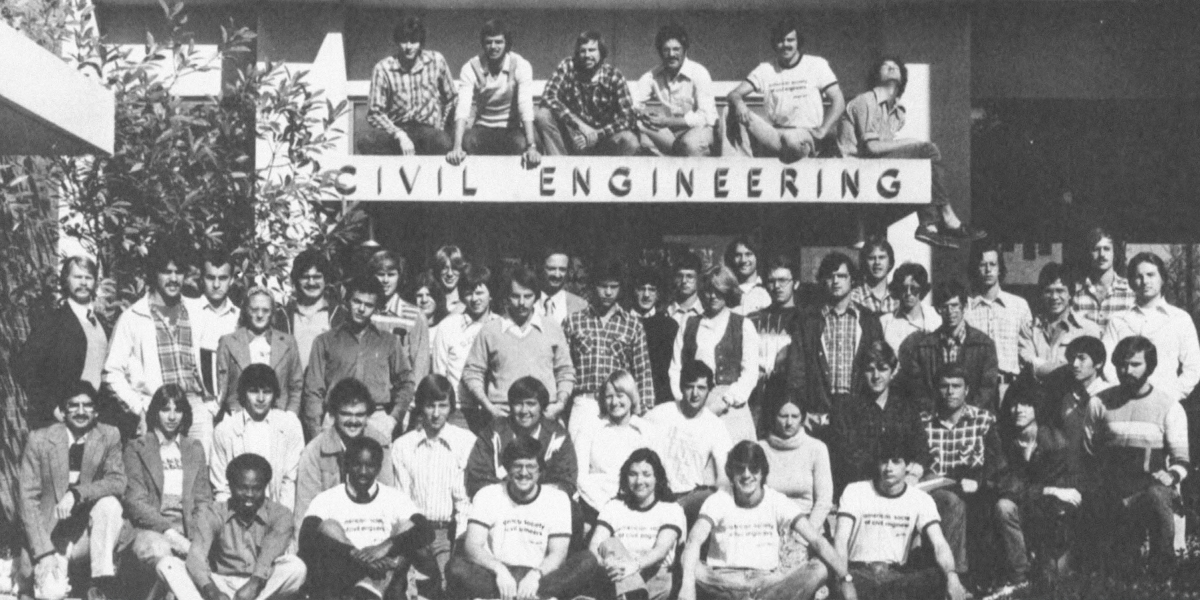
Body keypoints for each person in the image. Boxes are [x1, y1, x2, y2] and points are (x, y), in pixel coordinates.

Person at [678, 442, 856, 600]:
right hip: (724, 582)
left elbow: (817, 540)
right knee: (688, 561)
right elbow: (694, 541)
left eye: (753, 468)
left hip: (767, 583)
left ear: (762, 472)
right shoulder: (719, 500)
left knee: (820, 568)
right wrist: (687, 588)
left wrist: (846, 578)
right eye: (740, 469)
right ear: (731, 473)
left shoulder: (776, 500)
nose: (747, 475)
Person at [837, 58, 984, 248]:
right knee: (927, 150)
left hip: (875, 168)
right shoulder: (865, 100)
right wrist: (910, 142)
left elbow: (884, 148)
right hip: (857, 168)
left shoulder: (896, 113)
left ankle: (929, 226)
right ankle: (946, 217)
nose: (891, 68)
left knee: (924, 164)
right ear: (875, 75)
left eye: (896, 67)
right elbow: (873, 148)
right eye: (885, 65)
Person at [447, 436, 605, 600]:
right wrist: (499, 570)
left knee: (587, 561)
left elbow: (558, 553)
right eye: (517, 466)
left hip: (540, 577)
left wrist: (535, 576)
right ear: (507, 468)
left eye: (530, 466)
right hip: (496, 577)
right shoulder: (488, 494)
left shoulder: (557, 499)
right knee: (455, 567)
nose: (524, 473)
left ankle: (532, 595)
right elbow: (473, 546)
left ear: (540, 470)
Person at [1085, 336, 1189, 571]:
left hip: (1148, 490)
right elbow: (1089, 450)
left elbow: (1182, 460)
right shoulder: (1099, 403)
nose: (1126, 370)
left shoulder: (1169, 406)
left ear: (1149, 366)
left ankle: (1162, 569)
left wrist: (1171, 476)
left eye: (1135, 364)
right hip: (1111, 488)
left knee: (1158, 495)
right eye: (1122, 364)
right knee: (1117, 566)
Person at [18, 383, 126, 600]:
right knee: (51, 594)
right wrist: (44, 552)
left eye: (87, 405)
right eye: (73, 405)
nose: (80, 411)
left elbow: (117, 481)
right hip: (52, 535)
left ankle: (100, 583)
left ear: (96, 411)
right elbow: (27, 500)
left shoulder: (109, 435)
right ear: (63, 411)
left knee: (110, 505)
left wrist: (77, 493)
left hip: (87, 535)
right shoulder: (39, 440)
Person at [105, 241, 214, 446]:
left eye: (179, 272)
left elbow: (217, 360)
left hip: (196, 407)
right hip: (158, 407)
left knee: (199, 473)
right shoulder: (133, 317)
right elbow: (112, 372)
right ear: (154, 273)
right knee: (161, 474)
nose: (173, 279)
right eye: (166, 272)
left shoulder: (196, 311)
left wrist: (211, 405)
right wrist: (140, 408)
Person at [300, 437, 435, 600]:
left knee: (407, 526)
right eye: (357, 464)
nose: (363, 472)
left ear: (378, 468)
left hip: (384, 574)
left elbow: (426, 531)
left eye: (370, 466)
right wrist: (354, 554)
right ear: (346, 465)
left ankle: (373, 589)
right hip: (345, 572)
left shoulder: (394, 498)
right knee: (328, 526)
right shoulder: (327, 499)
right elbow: (306, 536)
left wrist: (386, 547)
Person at [834, 436, 967, 600]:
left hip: (896, 578)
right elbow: (840, 540)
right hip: (859, 575)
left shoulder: (920, 498)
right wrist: (844, 580)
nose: (888, 468)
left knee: (938, 577)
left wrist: (952, 575)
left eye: (896, 461)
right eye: (884, 461)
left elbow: (939, 543)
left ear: (908, 466)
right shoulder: (855, 491)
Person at [118, 385, 213, 600]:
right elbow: (134, 501)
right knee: (163, 553)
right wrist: (169, 532)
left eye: (177, 410)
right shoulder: (136, 447)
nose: (171, 416)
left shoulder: (194, 447)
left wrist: (198, 537)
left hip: (188, 527)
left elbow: (203, 499)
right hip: (150, 528)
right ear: (155, 412)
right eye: (165, 409)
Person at [993, 381, 1085, 592]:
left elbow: (1065, 488)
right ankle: (1018, 577)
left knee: (1055, 584)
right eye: (1014, 405)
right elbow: (1004, 482)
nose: (1018, 410)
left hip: (1046, 513)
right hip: (1020, 507)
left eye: (1026, 404)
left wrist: (1048, 492)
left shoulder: (1054, 441)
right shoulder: (1002, 440)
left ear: (1037, 408)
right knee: (1003, 506)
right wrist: (1046, 489)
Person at [390, 375, 475, 595]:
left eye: (442, 406)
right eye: (429, 406)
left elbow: (463, 502)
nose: (436, 414)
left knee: (447, 586)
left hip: (448, 533)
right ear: (420, 407)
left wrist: (459, 545)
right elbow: (402, 502)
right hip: (414, 532)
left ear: (451, 407)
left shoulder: (465, 442)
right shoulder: (403, 446)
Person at [302, 276, 415, 440]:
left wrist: (392, 420)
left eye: (369, 305)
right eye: (357, 302)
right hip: (336, 417)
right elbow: (313, 390)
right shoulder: (324, 341)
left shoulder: (388, 342)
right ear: (347, 301)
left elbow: (407, 382)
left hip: (376, 418)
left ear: (376, 308)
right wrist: (316, 431)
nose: (361, 309)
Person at [462, 266, 575, 427]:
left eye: (527, 296)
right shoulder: (490, 330)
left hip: (544, 417)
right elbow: (472, 372)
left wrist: (560, 404)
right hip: (503, 419)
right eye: (515, 296)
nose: (521, 303)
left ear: (536, 296)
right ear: (507, 296)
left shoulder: (552, 328)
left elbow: (565, 371)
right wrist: (489, 407)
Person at [922, 365, 1004, 584]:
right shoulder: (924, 422)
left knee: (985, 505)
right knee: (951, 502)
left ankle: (984, 578)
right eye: (944, 386)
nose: (950, 392)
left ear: (966, 390)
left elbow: (997, 461)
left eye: (956, 386)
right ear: (936, 389)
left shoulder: (983, 419)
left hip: (972, 487)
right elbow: (916, 459)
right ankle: (955, 576)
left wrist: (977, 480)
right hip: (935, 491)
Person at [186, 454, 307, 600]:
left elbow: (268, 555)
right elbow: (197, 554)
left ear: (265, 487)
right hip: (220, 582)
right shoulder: (214, 513)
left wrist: (255, 583)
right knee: (169, 565)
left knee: (296, 567)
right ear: (230, 486)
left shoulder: (280, 514)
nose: (249, 494)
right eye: (243, 488)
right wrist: (211, 591)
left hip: (261, 583)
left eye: (256, 489)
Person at [786, 252, 883, 432]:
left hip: (859, 416)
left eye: (842, 276)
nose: (836, 281)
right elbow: (796, 372)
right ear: (823, 281)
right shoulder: (809, 321)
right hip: (819, 417)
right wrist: (802, 411)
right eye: (830, 277)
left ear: (852, 280)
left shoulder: (869, 321)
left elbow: (879, 367)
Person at [726, 16, 845, 162]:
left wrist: (823, 130)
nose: (785, 45)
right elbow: (734, 94)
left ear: (798, 42)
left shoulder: (816, 65)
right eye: (780, 41)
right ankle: (743, 165)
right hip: (774, 133)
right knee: (729, 110)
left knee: (791, 140)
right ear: (775, 44)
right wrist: (739, 103)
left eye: (790, 40)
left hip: (804, 133)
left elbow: (838, 101)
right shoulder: (765, 69)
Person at [563, 260, 655, 441]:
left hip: (619, 405)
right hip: (585, 402)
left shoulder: (632, 325)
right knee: (579, 462)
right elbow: (564, 368)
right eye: (603, 286)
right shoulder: (573, 322)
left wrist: (643, 411)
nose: (608, 292)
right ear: (593, 286)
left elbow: (642, 372)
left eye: (613, 287)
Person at [15, 255, 111, 429]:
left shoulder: (101, 324)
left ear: (95, 282)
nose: (83, 283)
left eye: (88, 278)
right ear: (66, 281)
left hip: (95, 419)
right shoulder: (53, 321)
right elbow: (24, 366)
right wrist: (51, 407)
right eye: (77, 277)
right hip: (61, 421)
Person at [668, 266, 761, 442]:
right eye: (708, 291)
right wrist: (685, 401)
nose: (713, 296)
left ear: (728, 292)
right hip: (694, 405)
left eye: (719, 291)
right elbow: (676, 368)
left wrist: (726, 401)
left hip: (731, 409)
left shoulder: (743, 325)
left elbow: (750, 373)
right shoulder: (689, 323)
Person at [830, 341, 930, 495]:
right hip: (864, 488)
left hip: (904, 486)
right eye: (870, 370)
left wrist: (913, 473)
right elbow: (847, 458)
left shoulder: (906, 408)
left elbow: (921, 449)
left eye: (883, 369)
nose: (876, 376)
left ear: (893, 371)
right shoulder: (847, 409)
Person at [294, 378, 396, 528]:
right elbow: (306, 508)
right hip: (329, 533)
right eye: (346, 414)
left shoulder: (380, 445)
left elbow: (388, 500)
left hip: (370, 527)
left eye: (360, 415)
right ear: (334, 414)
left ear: (368, 416)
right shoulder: (315, 451)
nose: (353, 421)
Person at [588, 449, 687, 600]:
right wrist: (607, 564)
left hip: (654, 577)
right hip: (617, 575)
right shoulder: (614, 506)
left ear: (657, 478)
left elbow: (660, 550)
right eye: (633, 474)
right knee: (611, 545)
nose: (639, 481)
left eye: (646, 475)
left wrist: (632, 566)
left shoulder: (671, 509)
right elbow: (595, 544)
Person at [1102, 252, 1200, 402]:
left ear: (1162, 279)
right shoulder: (1118, 320)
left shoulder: (1180, 319)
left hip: (1165, 403)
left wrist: (1171, 396)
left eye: (1151, 275)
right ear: (1131, 282)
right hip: (1123, 402)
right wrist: (1122, 391)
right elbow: (1106, 362)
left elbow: (1194, 367)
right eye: (1138, 276)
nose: (1145, 281)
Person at [646, 361, 733, 524]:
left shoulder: (715, 425)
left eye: (701, 388)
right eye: (689, 387)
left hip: (690, 498)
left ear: (709, 390)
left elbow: (724, 474)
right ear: (680, 387)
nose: (695, 394)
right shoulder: (660, 414)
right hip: (657, 495)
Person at [446, 20, 540, 168]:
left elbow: (525, 106)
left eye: (499, 42)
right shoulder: (470, 68)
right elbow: (463, 108)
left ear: (507, 44)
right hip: (483, 128)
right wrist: (456, 147)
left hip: (511, 129)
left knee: (524, 143)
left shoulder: (521, 65)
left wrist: (531, 146)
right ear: (483, 44)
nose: (493, 47)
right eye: (489, 42)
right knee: (467, 142)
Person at [464, 376, 578, 499]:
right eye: (518, 404)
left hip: (543, 506)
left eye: (531, 404)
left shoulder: (557, 436)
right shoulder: (494, 432)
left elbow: (566, 482)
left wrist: (532, 496)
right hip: (502, 503)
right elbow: (477, 476)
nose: (524, 410)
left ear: (542, 406)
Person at [210, 365, 305, 511]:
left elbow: (290, 481)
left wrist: (280, 519)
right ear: (243, 392)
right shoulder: (224, 430)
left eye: (267, 392)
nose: (261, 399)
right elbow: (221, 488)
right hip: (237, 513)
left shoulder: (289, 426)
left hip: (277, 512)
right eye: (253, 391)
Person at [897, 280, 1000, 414]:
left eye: (955, 305)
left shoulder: (984, 344)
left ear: (964, 306)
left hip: (972, 418)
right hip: (936, 418)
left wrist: (965, 414)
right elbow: (918, 389)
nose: (950, 312)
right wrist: (937, 413)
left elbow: (987, 387)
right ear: (938, 310)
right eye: (945, 307)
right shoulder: (924, 347)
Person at [756, 395, 833, 570]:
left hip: (808, 530)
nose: (789, 422)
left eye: (795, 416)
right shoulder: (760, 448)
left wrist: (802, 539)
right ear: (773, 417)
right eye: (783, 416)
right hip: (769, 530)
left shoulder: (817, 448)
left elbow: (824, 501)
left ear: (803, 418)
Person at [535, 30, 639, 156]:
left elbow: (628, 117)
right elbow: (548, 97)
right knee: (543, 115)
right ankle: (561, 168)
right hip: (573, 136)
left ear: (601, 52)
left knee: (630, 140)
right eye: (583, 51)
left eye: (592, 50)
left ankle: (613, 174)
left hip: (605, 139)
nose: (587, 55)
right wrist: (581, 126)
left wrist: (597, 134)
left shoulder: (613, 76)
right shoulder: (568, 66)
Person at [574, 371, 659, 521]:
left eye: (620, 395)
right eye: (609, 396)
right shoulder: (590, 428)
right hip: (594, 506)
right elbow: (579, 476)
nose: (614, 402)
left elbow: (655, 475)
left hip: (635, 505)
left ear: (631, 397)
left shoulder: (646, 431)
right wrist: (605, 508)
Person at [366, 16, 456, 155]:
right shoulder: (383, 68)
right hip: (396, 129)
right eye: (404, 41)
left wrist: (442, 126)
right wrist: (399, 134)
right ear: (397, 42)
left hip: (428, 131)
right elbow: (374, 113)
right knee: (366, 141)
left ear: (421, 42)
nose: (408, 47)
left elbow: (452, 99)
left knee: (443, 142)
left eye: (414, 41)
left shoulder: (436, 61)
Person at [432, 263, 501, 432]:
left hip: (495, 411)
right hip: (459, 412)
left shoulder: (502, 326)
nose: (475, 299)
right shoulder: (448, 327)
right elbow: (439, 374)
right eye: (469, 293)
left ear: (490, 294)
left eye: (479, 292)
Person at [215, 287, 304, 415]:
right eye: (254, 309)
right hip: (240, 417)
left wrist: (290, 416)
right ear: (245, 310)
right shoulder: (228, 342)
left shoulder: (288, 343)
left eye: (266, 310)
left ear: (272, 312)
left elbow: (296, 385)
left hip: (279, 417)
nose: (260, 315)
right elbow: (223, 386)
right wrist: (235, 415)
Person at [632, 24, 715, 157]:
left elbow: (706, 117)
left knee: (689, 145)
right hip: (672, 135)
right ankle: (647, 158)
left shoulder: (699, 72)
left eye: (676, 49)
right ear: (660, 52)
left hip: (700, 131)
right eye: (666, 50)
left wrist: (667, 121)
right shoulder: (653, 75)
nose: (671, 54)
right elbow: (632, 102)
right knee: (636, 122)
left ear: (685, 50)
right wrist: (645, 114)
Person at [965, 242, 1033, 400]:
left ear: (1000, 267)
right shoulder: (966, 308)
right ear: (975, 269)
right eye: (982, 265)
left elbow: (1026, 350)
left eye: (993, 264)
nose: (988, 270)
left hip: (1009, 389)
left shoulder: (1018, 305)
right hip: (976, 390)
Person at [1018, 263, 1101, 382]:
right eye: (1048, 291)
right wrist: (1067, 368)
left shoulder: (1088, 329)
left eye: (1060, 291)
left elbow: (1089, 370)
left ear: (1070, 294)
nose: (1054, 297)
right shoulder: (1029, 329)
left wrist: (1042, 367)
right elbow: (1027, 363)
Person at [748, 256, 801, 437]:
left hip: (790, 405)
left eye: (783, 280)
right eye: (772, 281)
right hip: (756, 402)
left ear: (796, 283)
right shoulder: (753, 319)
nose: (777, 286)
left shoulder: (805, 320)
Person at [270, 249, 346, 373]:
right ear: (296, 280)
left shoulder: (339, 315)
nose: (311, 282)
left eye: (317, 277)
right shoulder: (282, 317)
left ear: (325, 279)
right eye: (305, 277)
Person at [369, 250, 433, 385]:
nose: (385, 280)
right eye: (380, 274)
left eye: (391, 275)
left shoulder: (415, 316)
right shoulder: (366, 313)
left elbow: (420, 365)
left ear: (400, 276)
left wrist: (411, 399)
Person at [187, 248, 241, 405]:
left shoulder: (239, 317)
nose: (216, 285)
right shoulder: (189, 311)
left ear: (231, 280)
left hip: (232, 403)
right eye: (211, 277)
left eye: (223, 278)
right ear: (202, 279)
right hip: (197, 401)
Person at [630, 266, 679, 406]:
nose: (646, 295)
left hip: (661, 400)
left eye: (652, 289)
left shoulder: (669, 326)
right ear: (634, 291)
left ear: (658, 294)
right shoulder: (622, 322)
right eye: (641, 289)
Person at [1072, 227, 1135, 330]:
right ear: (1089, 254)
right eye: (1096, 249)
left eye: (1106, 248)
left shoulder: (1130, 291)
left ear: (1114, 254)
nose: (1102, 254)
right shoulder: (1076, 291)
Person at [878, 263, 941, 358]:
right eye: (904, 288)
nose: (908, 293)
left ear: (922, 289)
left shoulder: (936, 319)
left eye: (914, 289)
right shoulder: (885, 322)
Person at [537, 248, 587, 326]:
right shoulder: (527, 301)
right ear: (541, 268)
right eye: (551, 269)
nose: (557, 275)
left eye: (562, 269)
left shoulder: (580, 305)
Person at [849, 239, 898, 316]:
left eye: (881, 257)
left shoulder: (897, 297)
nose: (877, 262)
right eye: (871, 258)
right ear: (865, 263)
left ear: (890, 262)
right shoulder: (854, 297)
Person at [724, 236, 771, 316]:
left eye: (748, 254)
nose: (743, 260)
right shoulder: (727, 293)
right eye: (738, 255)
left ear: (757, 257)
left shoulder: (768, 290)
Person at [665, 253, 704, 328]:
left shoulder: (706, 312)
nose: (684, 281)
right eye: (680, 276)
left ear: (698, 279)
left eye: (689, 276)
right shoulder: (665, 312)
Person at [413, 270, 450, 342]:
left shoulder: (447, 326)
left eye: (429, 295)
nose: (424, 300)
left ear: (437, 297)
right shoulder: (410, 327)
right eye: (419, 295)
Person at [433, 245, 467, 315]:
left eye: (455, 268)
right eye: (445, 268)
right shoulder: (430, 301)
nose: (450, 274)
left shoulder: (467, 303)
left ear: (460, 271)